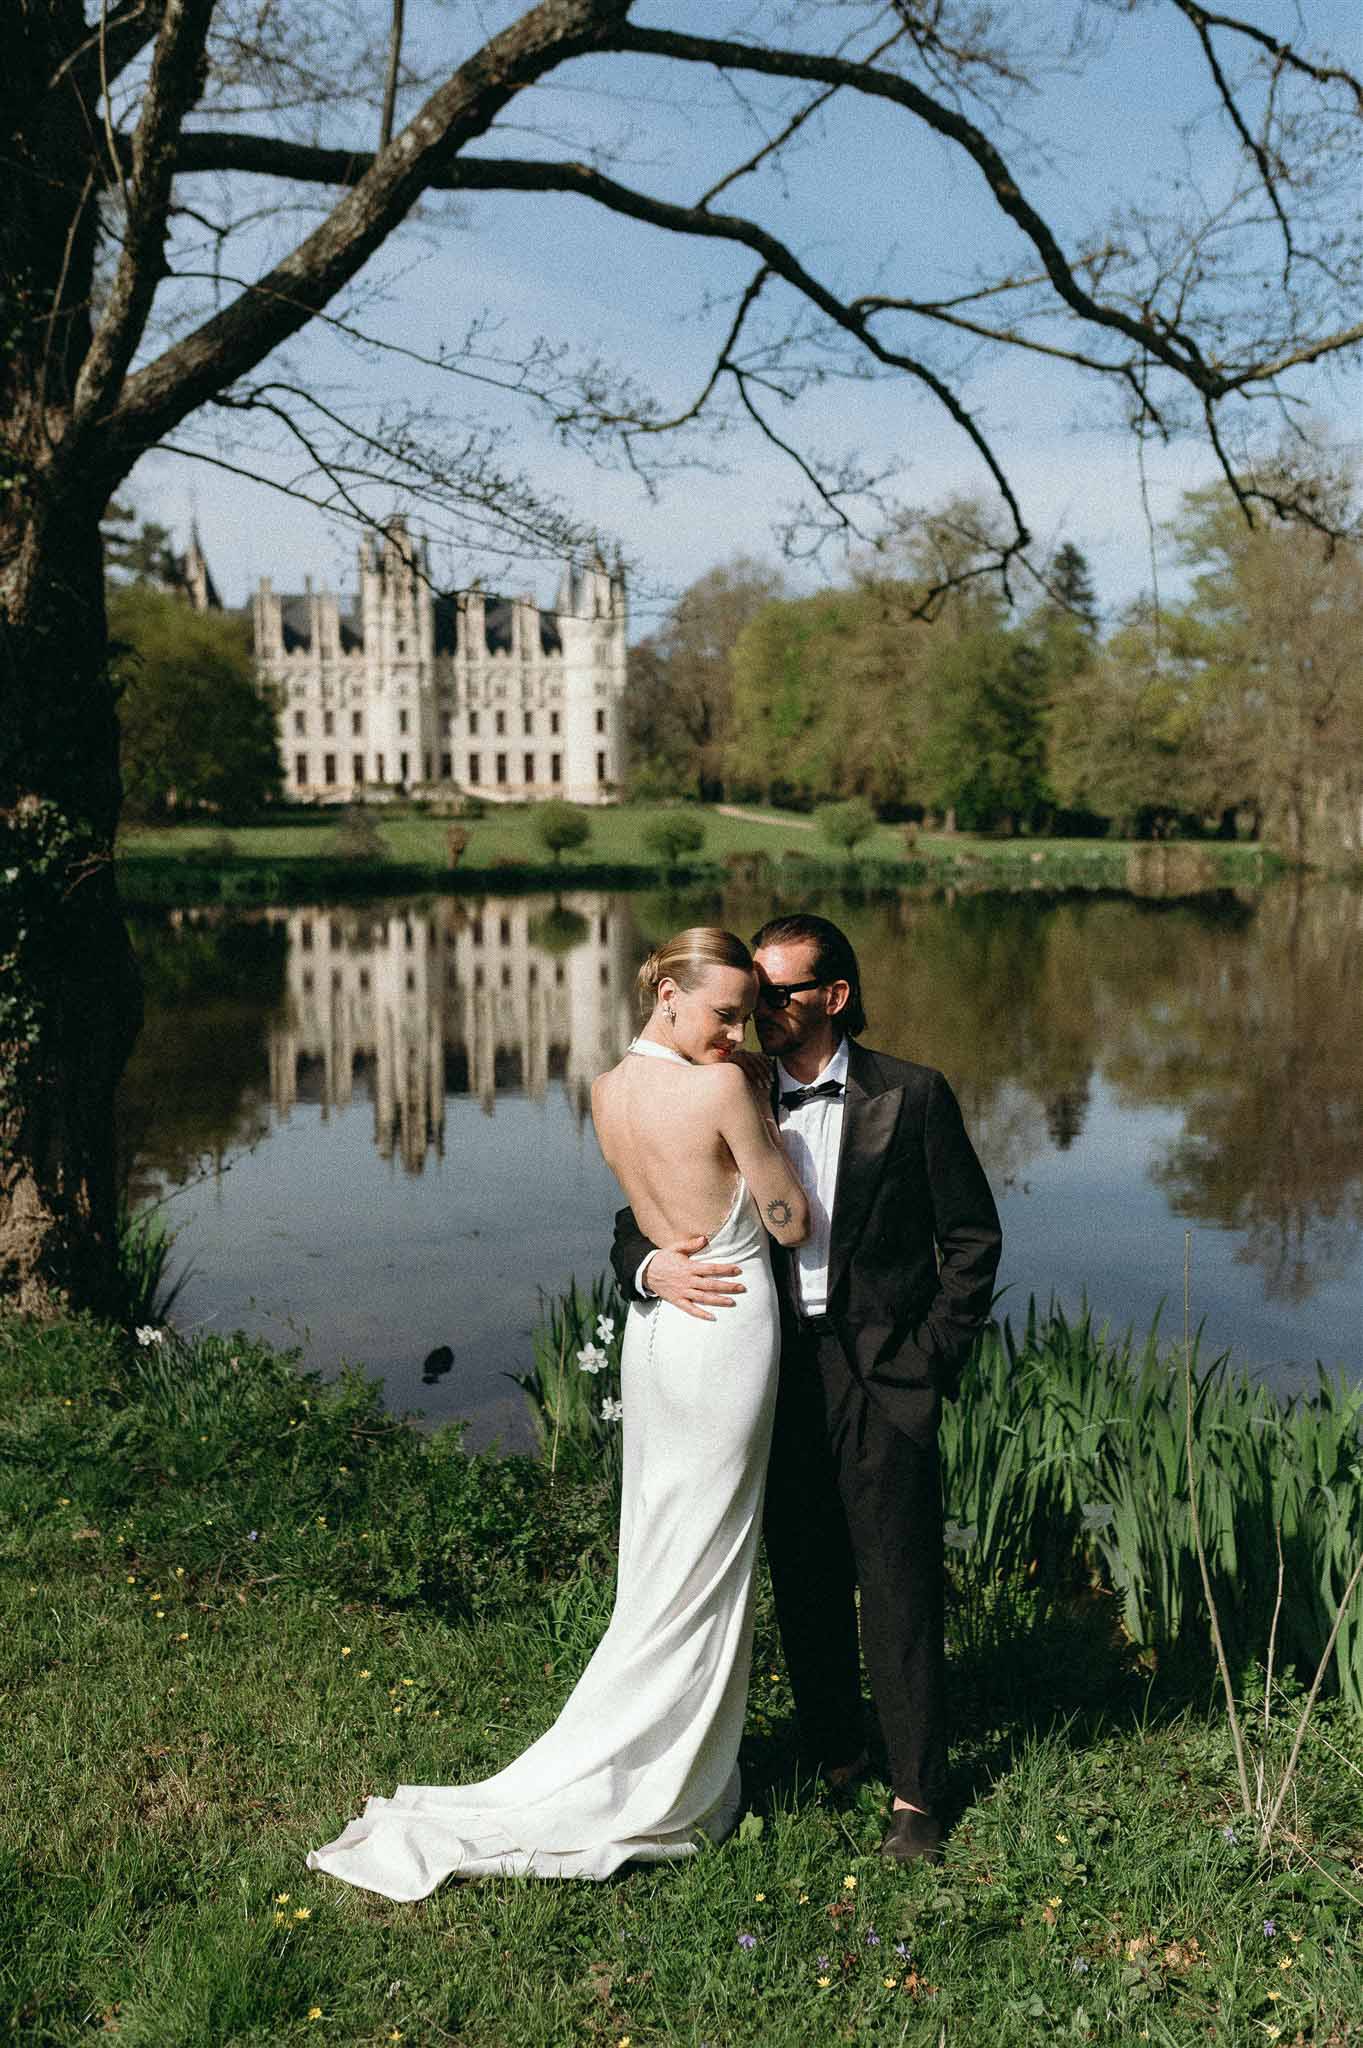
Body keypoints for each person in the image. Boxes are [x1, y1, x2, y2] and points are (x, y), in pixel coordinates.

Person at [307, 927, 808, 1896]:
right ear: (667, 991)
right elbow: (788, 1220)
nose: (734, 1031)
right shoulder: (720, 1090)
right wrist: (768, 1126)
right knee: (703, 1557)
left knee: (667, 1548)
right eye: (722, 1013)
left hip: (661, 1328)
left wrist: (658, 1254)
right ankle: (672, 1780)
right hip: (728, 1328)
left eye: (743, 1017)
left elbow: (651, 1204)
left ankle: (669, 1753)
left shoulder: (608, 1088)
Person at [612, 912, 1002, 1864]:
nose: (756, 1012)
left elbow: (971, 1242)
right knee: (805, 1576)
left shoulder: (910, 1095)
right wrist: (645, 1268)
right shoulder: (721, 1087)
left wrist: (926, 1359)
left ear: (832, 997)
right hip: (760, 1369)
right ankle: (834, 1749)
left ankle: (917, 1793)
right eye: (749, 993)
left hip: (879, 1376)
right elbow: (642, 1210)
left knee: (898, 1583)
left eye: (778, 994)